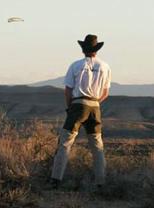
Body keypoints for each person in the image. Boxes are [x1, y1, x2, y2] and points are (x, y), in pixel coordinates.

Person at [50, 34, 111, 189]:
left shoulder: (75, 65)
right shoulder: (105, 67)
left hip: (78, 105)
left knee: (65, 143)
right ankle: (101, 182)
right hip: (95, 107)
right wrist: (95, 102)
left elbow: (68, 90)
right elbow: (105, 93)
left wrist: (70, 107)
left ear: (83, 49)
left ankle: (55, 180)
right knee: (97, 145)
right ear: (96, 49)